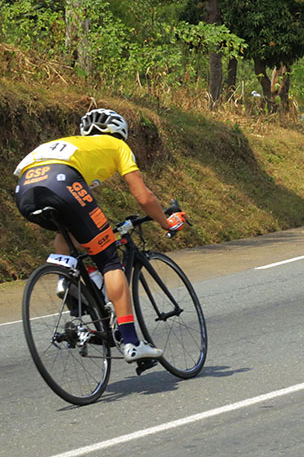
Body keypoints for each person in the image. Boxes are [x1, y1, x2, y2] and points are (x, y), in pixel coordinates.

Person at [13, 108, 187, 362]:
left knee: (70, 230)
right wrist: (167, 223)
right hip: (62, 183)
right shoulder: (116, 146)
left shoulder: (68, 144)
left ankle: (69, 277)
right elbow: (143, 196)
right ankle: (131, 342)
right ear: (119, 133)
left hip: (24, 192)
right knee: (110, 260)